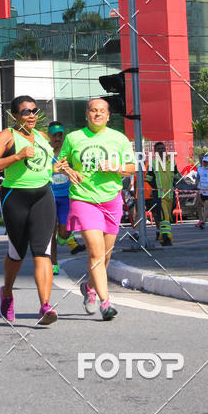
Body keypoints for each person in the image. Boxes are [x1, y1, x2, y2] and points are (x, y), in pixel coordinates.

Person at [55, 98, 135, 321]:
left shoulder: (118, 138)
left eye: (102, 112)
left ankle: (89, 287)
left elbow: (132, 168)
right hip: (83, 199)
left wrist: (115, 167)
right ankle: (106, 303)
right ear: (87, 115)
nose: (97, 115)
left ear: (108, 116)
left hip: (111, 200)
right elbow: (59, 164)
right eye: (93, 111)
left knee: (106, 256)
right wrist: (70, 172)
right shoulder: (74, 138)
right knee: (95, 252)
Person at [0, 96, 58, 325]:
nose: (32, 115)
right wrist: (16, 156)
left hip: (43, 195)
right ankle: (7, 292)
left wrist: (62, 168)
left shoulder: (43, 137)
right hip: (15, 197)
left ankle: (45, 306)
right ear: (15, 115)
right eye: (26, 112)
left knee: (42, 251)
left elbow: (46, 165)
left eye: (35, 111)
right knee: (17, 252)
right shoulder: (6, 136)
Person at [47, 121, 85, 275]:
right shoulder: (45, 152)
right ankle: (53, 264)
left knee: (64, 233)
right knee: (51, 234)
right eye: (54, 135)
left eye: (60, 135)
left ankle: (65, 238)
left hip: (66, 197)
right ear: (49, 135)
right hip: (49, 196)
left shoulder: (68, 152)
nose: (57, 138)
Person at [145, 142, 180, 245]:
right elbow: (148, 179)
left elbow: (177, 176)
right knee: (164, 217)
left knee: (167, 217)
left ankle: (162, 237)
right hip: (160, 195)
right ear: (155, 152)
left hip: (170, 195)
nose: (161, 150)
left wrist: (175, 186)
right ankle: (166, 238)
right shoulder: (153, 163)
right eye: (158, 149)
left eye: (162, 148)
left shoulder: (172, 162)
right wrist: (156, 188)